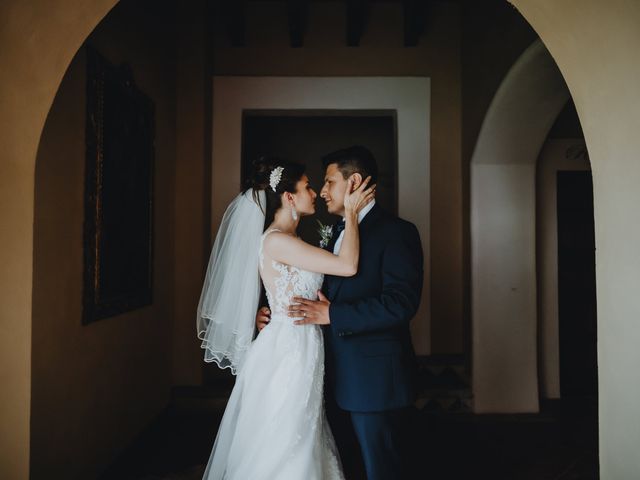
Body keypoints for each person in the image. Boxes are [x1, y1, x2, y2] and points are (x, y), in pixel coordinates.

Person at [197, 156, 375, 480]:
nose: (315, 193)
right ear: (290, 197)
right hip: (288, 352)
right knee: (285, 438)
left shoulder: (289, 241)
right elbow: (348, 266)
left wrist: (260, 311)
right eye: (307, 186)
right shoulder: (278, 240)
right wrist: (351, 211)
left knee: (302, 433)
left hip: (299, 344)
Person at [257, 145, 424, 480]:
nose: (321, 191)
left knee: (381, 469)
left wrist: (334, 315)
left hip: (372, 382)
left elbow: (401, 303)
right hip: (323, 375)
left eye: (329, 181)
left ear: (354, 182)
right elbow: (310, 288)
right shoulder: (334, 232)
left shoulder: (397, 232)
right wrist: (274, 309)